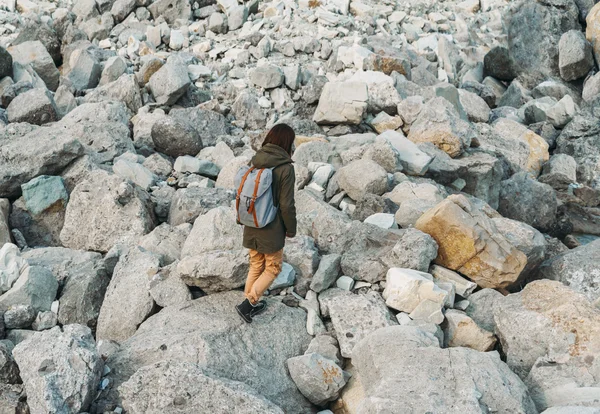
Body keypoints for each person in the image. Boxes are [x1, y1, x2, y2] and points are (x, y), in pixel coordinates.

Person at [236, 123, 297, 323]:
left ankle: (248, 301)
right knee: (272, 268)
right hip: (272, 226)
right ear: (287, 143)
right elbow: (287, 205)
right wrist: (291, 229)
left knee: (256, 263)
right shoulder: (285, 168)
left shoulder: (257, 161)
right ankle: (249, 304)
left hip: (251, 222)